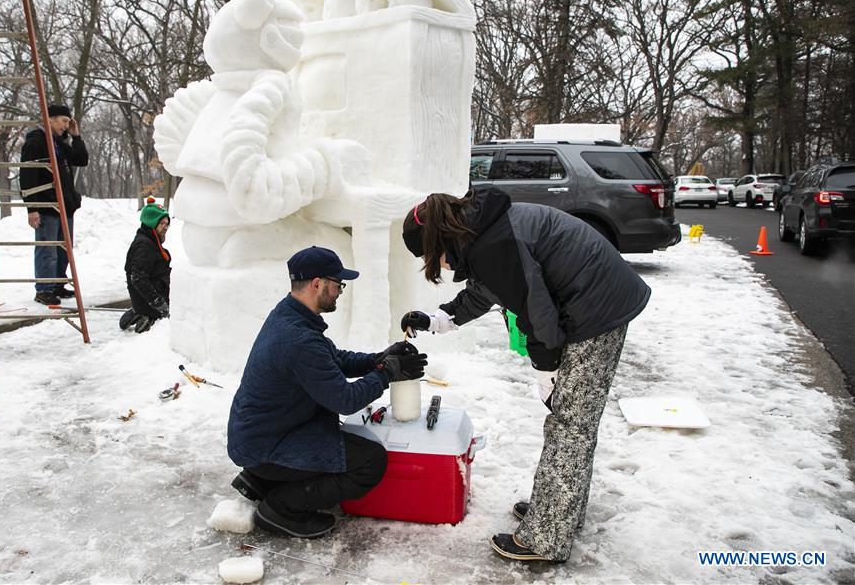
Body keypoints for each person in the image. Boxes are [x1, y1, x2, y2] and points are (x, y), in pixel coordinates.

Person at [399, 187, 650, 563]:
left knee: (570, 425)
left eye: (428, 256)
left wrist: (547, 371)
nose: (435, 265)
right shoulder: (482, 230)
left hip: (597, 307)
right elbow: (485, 291)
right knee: (571, 423)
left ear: (438, 241)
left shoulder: (494, 243)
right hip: (594, 297)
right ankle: (558, 513)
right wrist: (436, 320)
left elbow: (537, 313)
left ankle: (547, 537)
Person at [227, 246, 427, 539]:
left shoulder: (290, 315)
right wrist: (386, 374)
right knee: (370, 461)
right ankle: (281, 507)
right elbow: (345, 400)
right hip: (266, 445)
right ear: (317, 283)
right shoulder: (299, 339)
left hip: (261, 436)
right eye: (338, 284)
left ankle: (262, 481)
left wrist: (379, 359)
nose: (340, 292)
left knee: (330, 429)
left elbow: (332, 359)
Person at [20, 103, 89, 305]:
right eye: (63, 121)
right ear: (50, 119)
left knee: (63, 249)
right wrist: (32, 208)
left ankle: (58, 283)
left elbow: (81, 160)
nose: (66, 125)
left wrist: (76, 137)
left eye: (68, 122)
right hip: (46, 205)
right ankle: (44, 288)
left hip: (64, 205)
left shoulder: (59, 143)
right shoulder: (36, 143)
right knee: (47, 249)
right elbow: (27, 177)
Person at [119, 198, 171, 334]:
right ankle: (148, 315)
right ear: (152, 223)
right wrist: (159, 304)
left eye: (167, 224)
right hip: (151, 302)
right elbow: (138, 278)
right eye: (162, 223)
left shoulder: (148, 240)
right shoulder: (144, 245)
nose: (166, 227)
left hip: (144, 300)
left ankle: (140, 311)